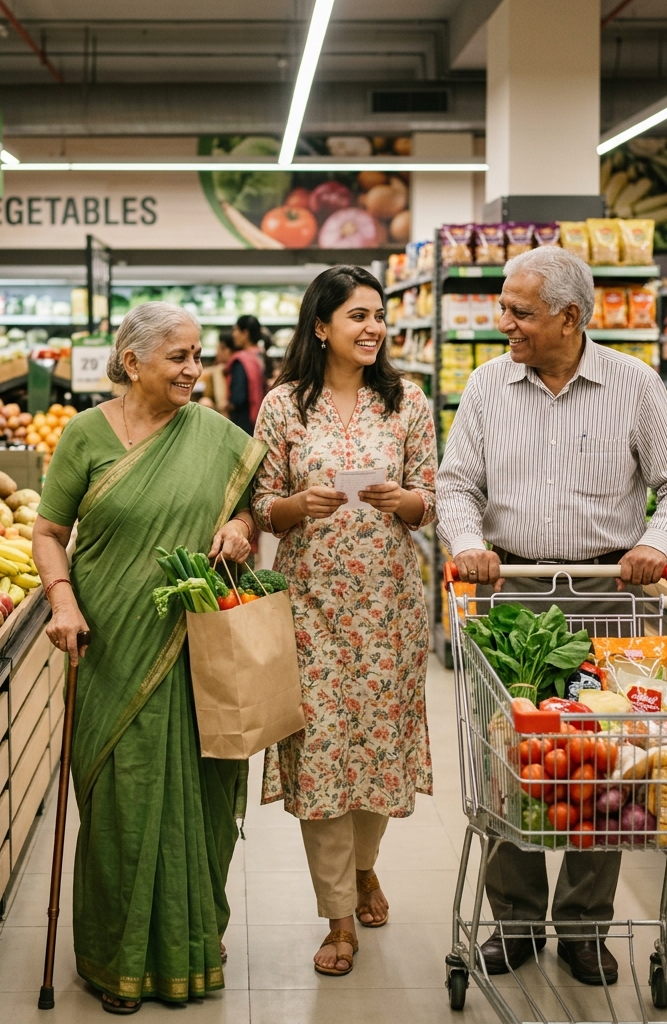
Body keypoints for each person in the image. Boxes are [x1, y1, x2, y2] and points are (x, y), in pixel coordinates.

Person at [436, 246, 667, 986]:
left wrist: (654, 542)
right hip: (511, 594)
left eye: (520, 312)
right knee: (508, 759)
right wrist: (468, 543)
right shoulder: (489, 387)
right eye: (504, 307)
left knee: (608, 761)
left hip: (607, 595)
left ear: (570, 318)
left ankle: (585, 925)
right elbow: (455, 485)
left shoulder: (633, 384)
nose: (505, 324)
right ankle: (517, 921)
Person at [31, 302, 266, 1014]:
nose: (195, 370)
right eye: (178, 358)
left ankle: (193, 941)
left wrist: (239, 524)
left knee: (203, 797)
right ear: (132, 362)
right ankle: (117, 963)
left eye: (198, 355)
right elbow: (47, 531)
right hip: (110, 643)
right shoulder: (83, 436)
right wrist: (61, 600)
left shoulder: (217, 436)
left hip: (200, 649)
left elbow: (251, 505)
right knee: (123, 807)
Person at [251, 266, 437, 978]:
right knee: (323, 754)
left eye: (379, 316)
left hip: (389, 610)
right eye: (357, 315)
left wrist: (406, 503)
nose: (373, 328)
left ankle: (365, 869)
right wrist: (297, 507)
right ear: (321, 325)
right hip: (311, 609)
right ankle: (336, 919)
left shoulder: (407, 403)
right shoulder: (284, 407)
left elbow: (437, 498)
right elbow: (261, 500)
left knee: (377, 751)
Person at [226, 313, 266, 434]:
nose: (234, 335)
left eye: (236, 330)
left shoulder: (241, 361)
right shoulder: (262, 356)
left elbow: (238, 397)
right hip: (262, 417)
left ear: (245, 333)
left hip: (243, 422)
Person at [198, 332, 232, 414]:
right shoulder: (219, 368)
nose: (216, 353)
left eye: (218, 349)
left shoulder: (222, 370)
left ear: (227, 350)